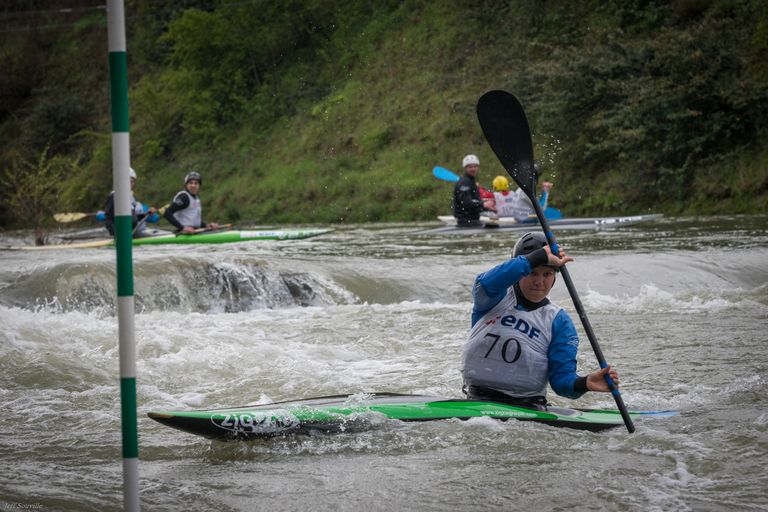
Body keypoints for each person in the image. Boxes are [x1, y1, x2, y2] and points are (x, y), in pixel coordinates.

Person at [460, 231, 620, 408]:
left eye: (547, 274)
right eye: (532, 273)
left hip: (528, 406)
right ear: (519, 272)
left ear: (554, 277)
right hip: (478, 400)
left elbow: (561, 381)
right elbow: (485, 282)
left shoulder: (559, 321)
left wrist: (585, 383)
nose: (539, 281)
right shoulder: (493, 298)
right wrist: (536, 257)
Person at [103, 167, 159, 238]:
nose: (130, 184)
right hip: (122, 235)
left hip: (131, 232)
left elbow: (133, 218)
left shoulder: (130, 196)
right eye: (128, 181)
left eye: (132, 181)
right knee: (151, 237)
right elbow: (108, 218)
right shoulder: (115, 195)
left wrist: (146, 214)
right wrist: (116, 234)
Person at [489, 174, 553, 223]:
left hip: (507, 220)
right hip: (520, 220)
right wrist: (546, 191)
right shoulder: (514, 193)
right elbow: (541, 209)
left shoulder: (495, 195)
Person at [452, 154, 495, 226]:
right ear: (465, 168)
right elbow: (466, 202)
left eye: (475, 166)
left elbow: (474, 203)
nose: (473, 169)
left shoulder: (471, 181)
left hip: (472, 220)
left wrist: (487, 207)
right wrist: (484, 204)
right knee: (493, 227)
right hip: (466, 221)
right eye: (470, 167)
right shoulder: (464, 182)